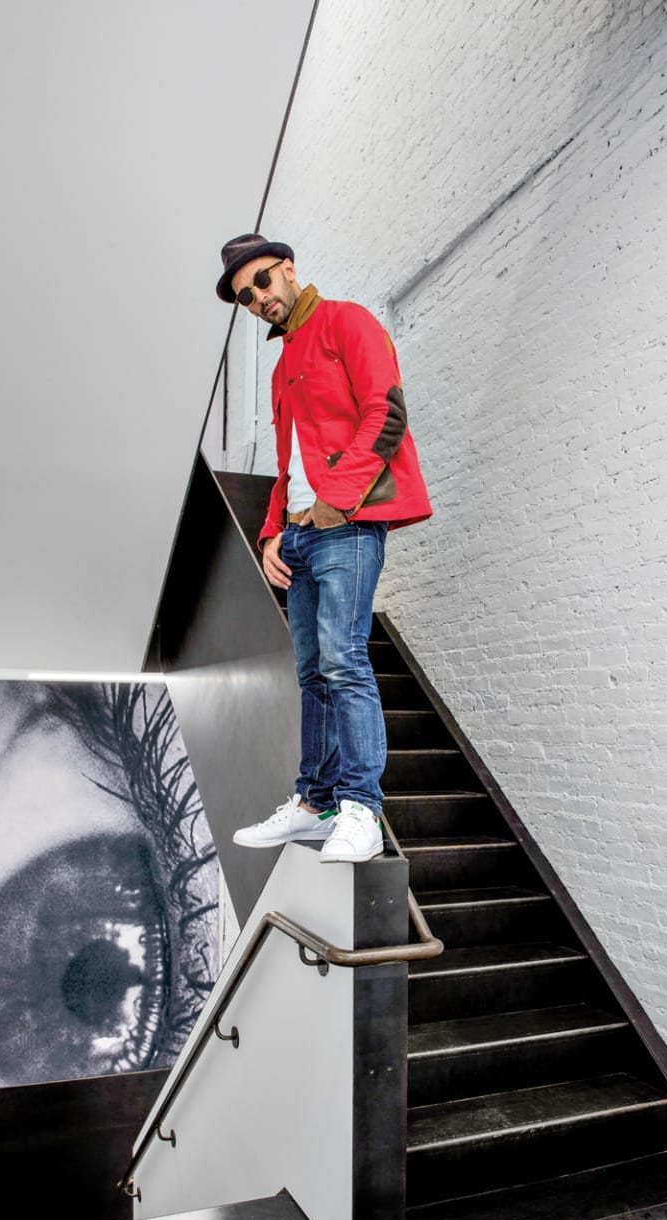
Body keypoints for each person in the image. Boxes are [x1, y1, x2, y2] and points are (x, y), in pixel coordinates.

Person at [216, 233, 432, 862]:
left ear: (287, 270)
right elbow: (286, 466)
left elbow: (385, 413)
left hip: (349, 523)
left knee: (344, 661)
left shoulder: (347, 321)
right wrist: (270, 533)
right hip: (301, 535)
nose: (256, 299)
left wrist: (337, 501)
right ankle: (317, 802)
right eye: (243, 298)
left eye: (260, 282)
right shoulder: (283, 367)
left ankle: (362, 807)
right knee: (312, 674)